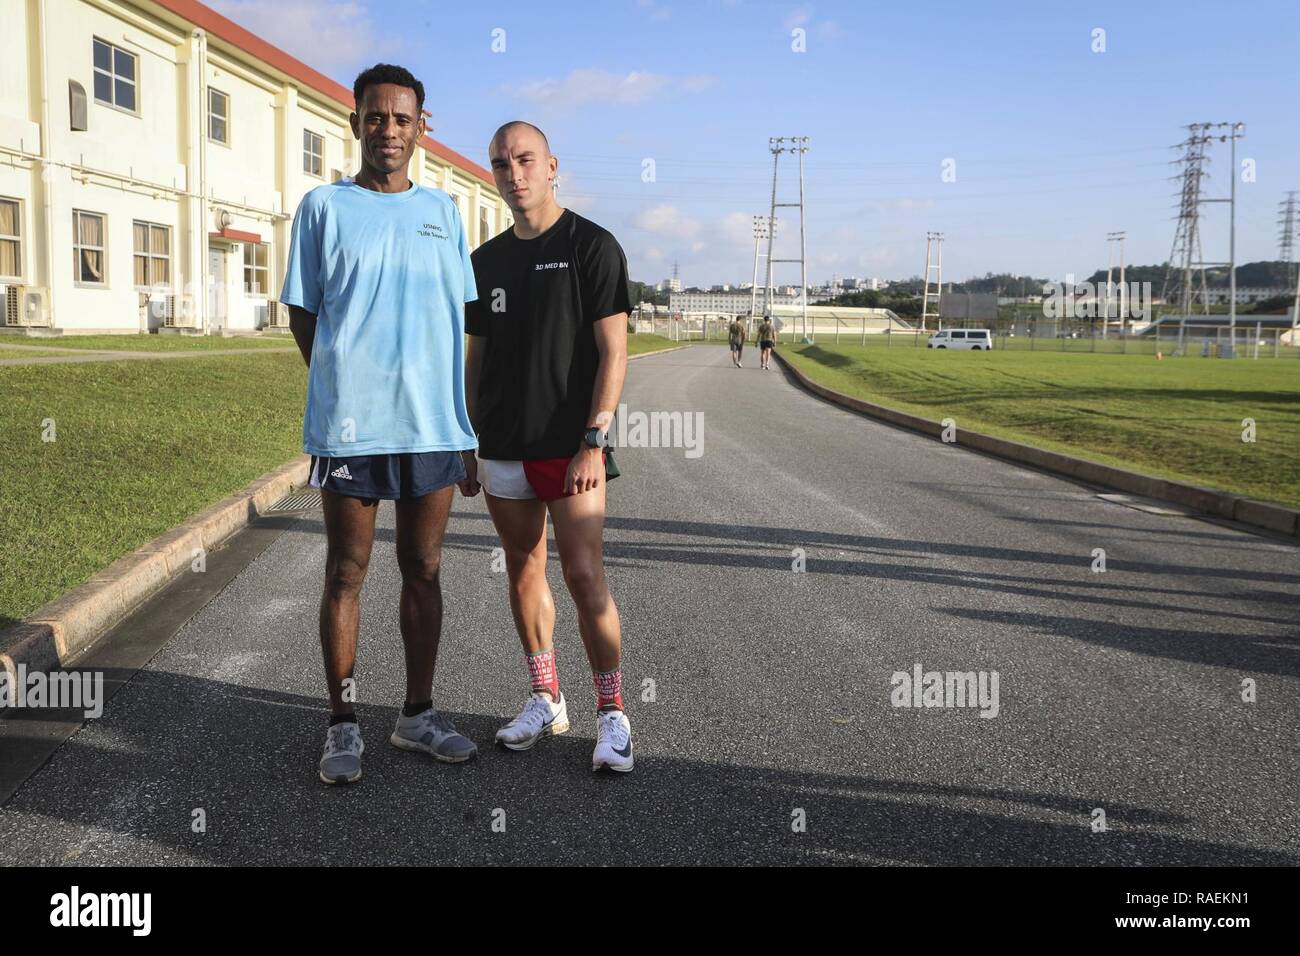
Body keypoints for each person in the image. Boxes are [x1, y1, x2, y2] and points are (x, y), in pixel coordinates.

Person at [281, 64, 480, 785]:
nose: (387, 129)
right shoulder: (323, 207)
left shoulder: (444, 213)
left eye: (401, 118)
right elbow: (303, 313)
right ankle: (341, 725)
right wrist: (341, 382)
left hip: (430, 428)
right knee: (347, 571)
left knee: (423, 569)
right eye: (374, 116)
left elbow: (454, 323)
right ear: (356, 120)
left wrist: (464, 430)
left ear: (420, 126)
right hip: (351, 430)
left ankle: (416, 717)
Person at [463, 120, 634, 772]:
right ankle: (546, 696)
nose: (515, 174)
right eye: (503, 164)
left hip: (570, 446)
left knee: (584, 574)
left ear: (553, 164)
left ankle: (613, 713)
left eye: (526, 160)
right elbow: (476, 356)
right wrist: (466, 438)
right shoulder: (486, 261)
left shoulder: (593, 246)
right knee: (522, 569)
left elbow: (613, 350)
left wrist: (595, 437)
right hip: (502, 443)